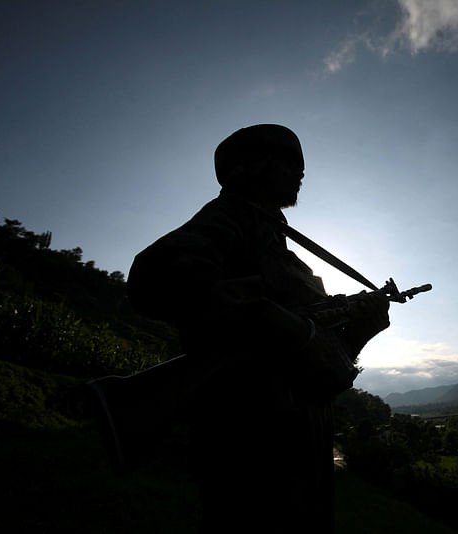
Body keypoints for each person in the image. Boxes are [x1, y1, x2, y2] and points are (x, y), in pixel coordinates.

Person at [126, 124, 390, 533]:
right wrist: (274, 319)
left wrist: (357, 331)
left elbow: (312, 363)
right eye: (289, 161)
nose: (300, 172)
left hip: (300, 436)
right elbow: (151, 276)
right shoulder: (229, 218)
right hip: (249, 435)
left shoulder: (279, 246)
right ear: (250, 167)